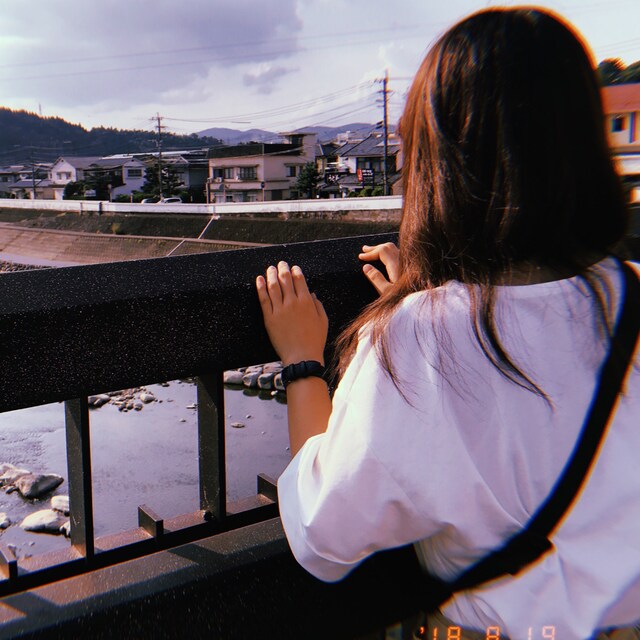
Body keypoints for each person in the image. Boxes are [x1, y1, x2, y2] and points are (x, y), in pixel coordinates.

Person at [255, 7, 640, 640]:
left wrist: (302, 363)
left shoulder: (419, 340)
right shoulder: (629, 293)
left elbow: (322, 536)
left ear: (440, 165)